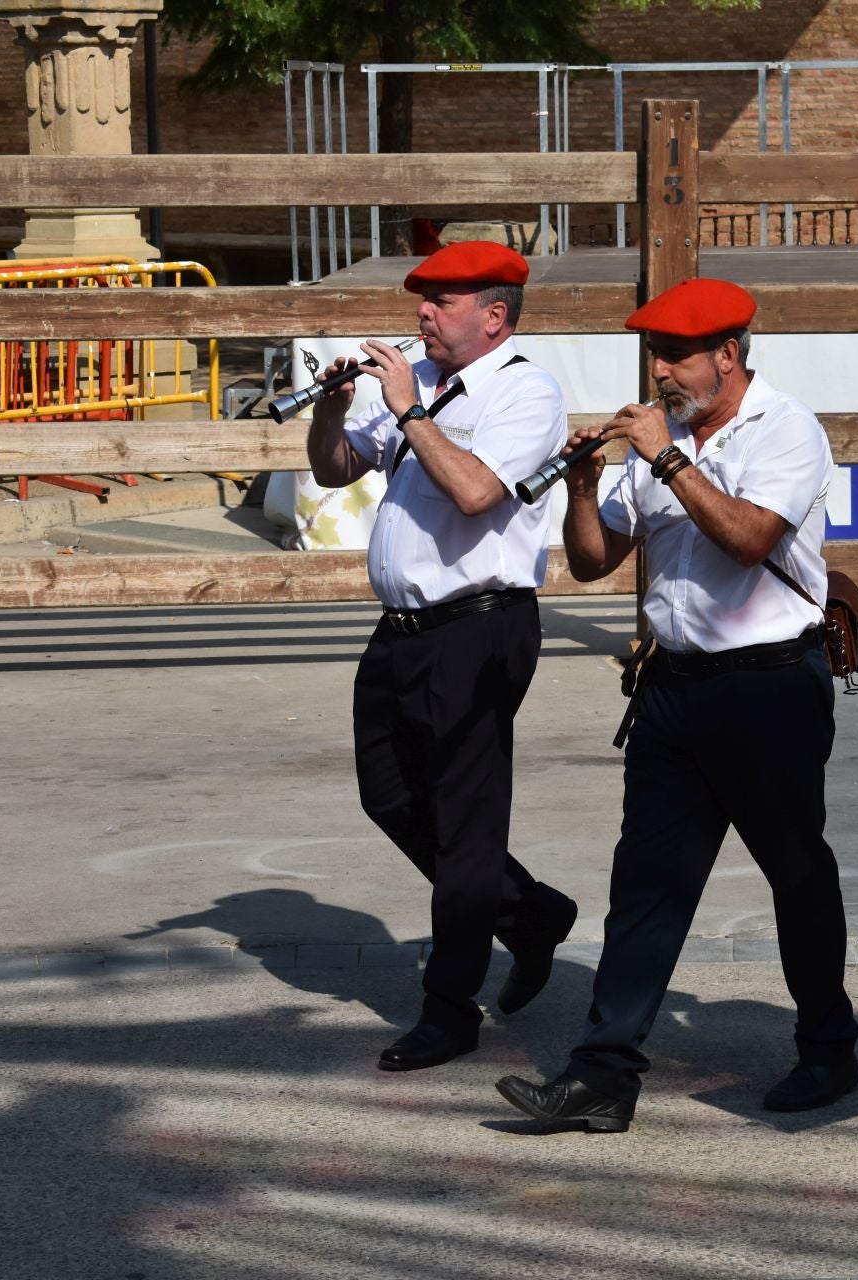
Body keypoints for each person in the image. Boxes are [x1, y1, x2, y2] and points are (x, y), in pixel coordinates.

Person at [494, 277, 858, 1133]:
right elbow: (591, 563)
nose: (659, 372)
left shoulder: (787, 430)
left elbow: (749, 540)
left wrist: (665, 458)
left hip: (769, 688)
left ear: (727, 356)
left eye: (675, 356)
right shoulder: (661, 445)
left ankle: (828, 1048)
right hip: (673, 688)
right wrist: (584, 486)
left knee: (797, 875)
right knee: (646, 887)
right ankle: (602, 1077)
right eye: (653, 355)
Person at [304, 240, 579, 1073]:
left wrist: (411, 412)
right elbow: (334, 469)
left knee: (465, 821)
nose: (421, 312)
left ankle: (451, 1006)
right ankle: (527, 911)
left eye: (441, 302)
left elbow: (476, 492)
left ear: (493, 316)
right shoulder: (416, 383)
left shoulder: (525, 391)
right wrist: (332, 407)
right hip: (403, 629)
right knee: (386, 795)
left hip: (480, 625)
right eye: (421, 299)